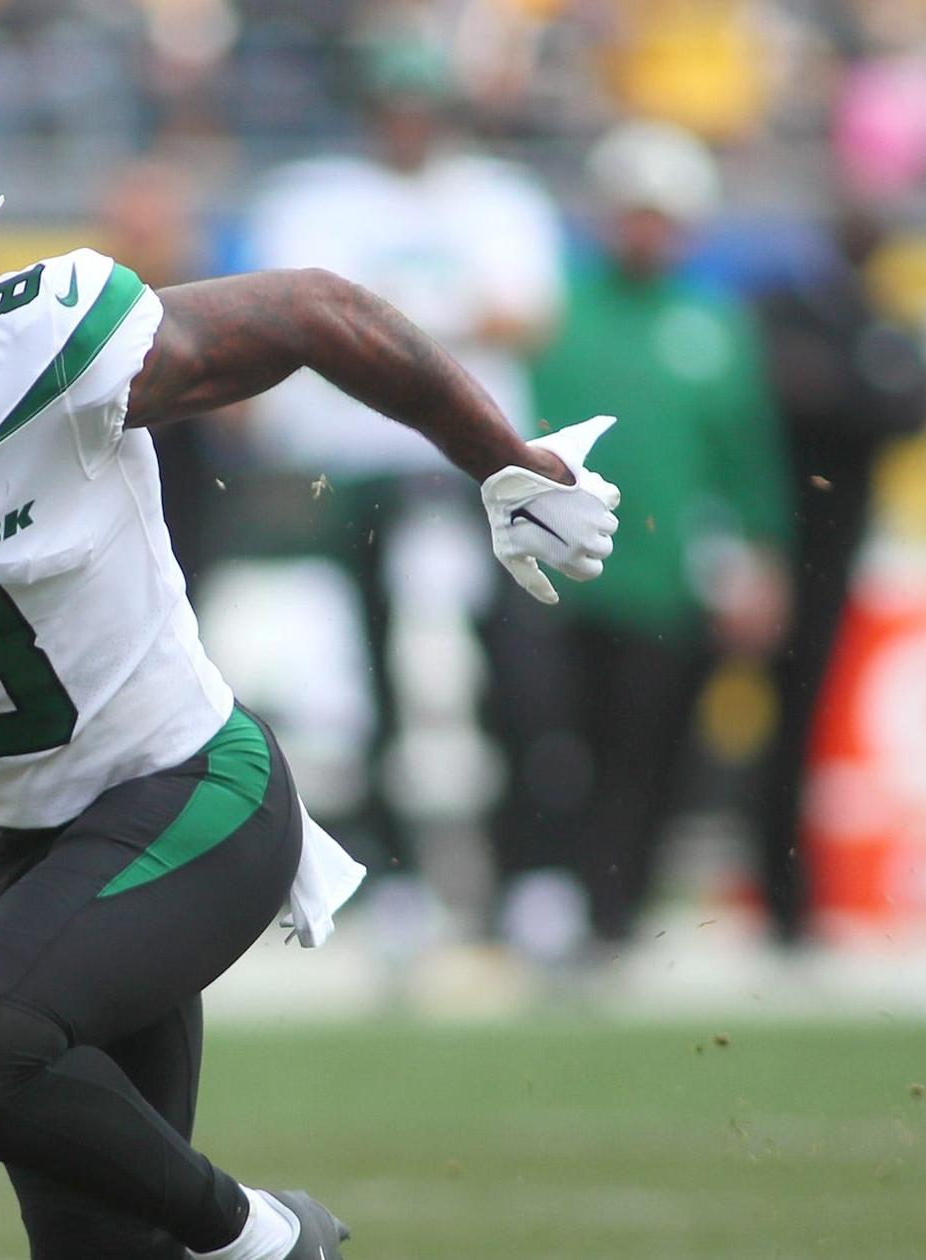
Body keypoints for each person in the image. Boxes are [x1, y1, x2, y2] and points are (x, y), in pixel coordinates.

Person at [0, 56, 622, 1259]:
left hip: (193, 795)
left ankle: (262, 1241)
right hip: (36, 851)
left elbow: (311, 309)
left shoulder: (37, 344)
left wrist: (500, 459)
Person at [239, 41, 568, 951]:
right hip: (359, 468)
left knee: (521, 675)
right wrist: (437, 319)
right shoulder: (318, 199)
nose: (409, 124)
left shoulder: (499, 198)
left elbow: (528, 315)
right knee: (367, 684)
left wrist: (384, 325)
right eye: (395, 106)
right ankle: (395, 880)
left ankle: (529, 875)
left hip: (484, 465)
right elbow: (303, 326)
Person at [526, 119, 792, 951]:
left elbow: (746, 455)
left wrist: (761, 557)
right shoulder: (556, 308)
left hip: (663, 577)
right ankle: (546, 897)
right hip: (554, 575)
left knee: (649, 754)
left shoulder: (713, 324)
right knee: (552, 743)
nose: (647, 230)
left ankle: (620, 912)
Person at [752, 201, 926, 946]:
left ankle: (786, 900)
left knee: (799, 723)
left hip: (828, 553)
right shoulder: (791, 311)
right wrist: (852, 390)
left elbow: (912, 407)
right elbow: (788, 391)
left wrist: (836, 389)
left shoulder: (880, 321)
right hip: (765, 537)